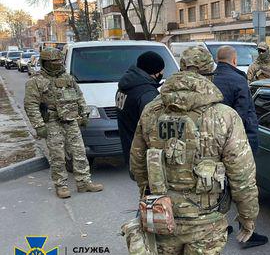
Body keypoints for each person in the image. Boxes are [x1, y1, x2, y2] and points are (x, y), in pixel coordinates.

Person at [130, 47, 259, 255]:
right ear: (210, 75)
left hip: (162, 214)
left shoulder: (152, 112)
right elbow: (242, 176)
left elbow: (137, 164)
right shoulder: (224, 116)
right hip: (206, 220)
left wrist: (150, 196)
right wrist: (248, 216)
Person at [184, 45, 269, 248]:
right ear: (234, 60)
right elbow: (244, 115)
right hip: (235, 139)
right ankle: (247, 230)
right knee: (242, 183)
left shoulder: (212, 79)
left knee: (216, 183)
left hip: (208, 141)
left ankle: (219, 224)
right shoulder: (238, 80)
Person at [24, 48, 103, 199]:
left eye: (59, 61)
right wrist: (39, 125)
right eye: (53, 62)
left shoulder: (68, 78)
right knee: (57, 155)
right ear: (45, 63)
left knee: (79, 151)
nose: (57, 64)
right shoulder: (36, 81)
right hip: (52, 121)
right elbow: (31, 104)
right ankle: (61, 185)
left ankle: (84, 182)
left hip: (71, 120)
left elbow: (79, 96)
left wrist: (84, 113)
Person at [115, 51, 165, 170]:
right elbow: (153, 129)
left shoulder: (124, 86)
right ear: (154, 71)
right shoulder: (146, 93)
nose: (162, 74)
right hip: (145, 155)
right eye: (161, 71)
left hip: (130, 149)